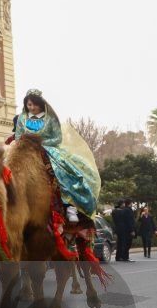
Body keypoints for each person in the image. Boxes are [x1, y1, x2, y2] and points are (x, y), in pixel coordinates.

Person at [13, 89, 100, 225]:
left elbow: (57, 138)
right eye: (29, 105)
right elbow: (18, 136)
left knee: (64, 172)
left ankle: (70, 207)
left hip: (49, 150)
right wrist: (24, 145)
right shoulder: (22, 119)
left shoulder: (50, 118)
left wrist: (40, 143)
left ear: (41, 104)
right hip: (25, 150)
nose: (32, 108)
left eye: (35, 104)